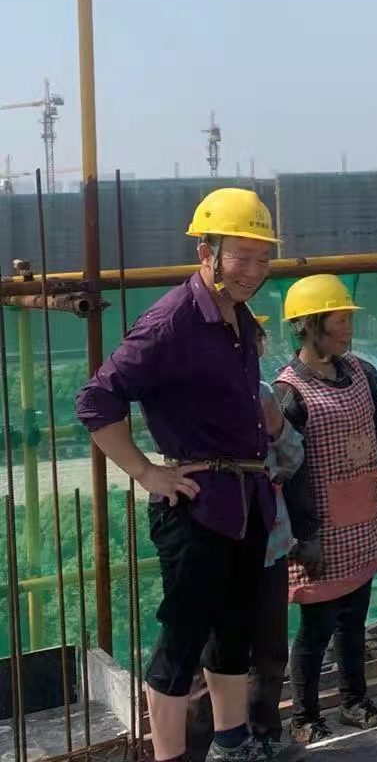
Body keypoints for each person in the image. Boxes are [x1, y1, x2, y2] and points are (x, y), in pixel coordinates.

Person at [76, 188, 282, 762]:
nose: (252, 271)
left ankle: (231, 743)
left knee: (234, 632)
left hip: (244, 500)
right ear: (206, 252)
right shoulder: (172, 321)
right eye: (241, 257)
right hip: (198, 504)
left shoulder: (237, 318)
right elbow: (96, 401)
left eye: (262, 259)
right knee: (183, 641)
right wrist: (146, 472)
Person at [272, 275, 377, 744]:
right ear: (309, 325)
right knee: (316, 627)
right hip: (322, 529)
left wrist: (363, 450)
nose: (348, 328)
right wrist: (305, 535)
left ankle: (354, 700)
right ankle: (305, 716)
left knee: (354, 618)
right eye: (339, 320)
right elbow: (288, 470)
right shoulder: (289, 391)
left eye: (348, 319)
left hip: (363, 518)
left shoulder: (358, 371)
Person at [186, 318, 303, 760]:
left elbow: (292, 457)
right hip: (215, 544)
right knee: (214, 657)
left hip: (267, 543)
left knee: (268, 652)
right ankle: (208, 747)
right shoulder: (189, 403)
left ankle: (264, 739)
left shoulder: (263, 395)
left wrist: (276, 430)